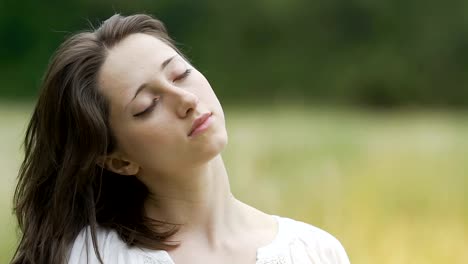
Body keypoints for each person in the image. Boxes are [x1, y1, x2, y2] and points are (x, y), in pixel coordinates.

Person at [11, 13, 350, 264]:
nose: (186, 100)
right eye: (147, 105)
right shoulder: (90, 257)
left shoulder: (315, 251)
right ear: (118, 161)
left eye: (180, 74)